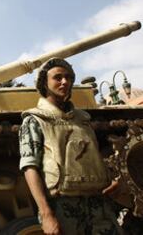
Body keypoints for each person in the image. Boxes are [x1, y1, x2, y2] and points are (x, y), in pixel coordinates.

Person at [19, 58, 123, 234]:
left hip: (98, 203)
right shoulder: (35, 119)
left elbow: (99, 153)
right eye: (57, 77)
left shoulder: (83, 119)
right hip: (63, 205)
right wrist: (46, 214)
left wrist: (114, 177)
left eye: (68, 77)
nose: (65, 82)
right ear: (45, 82)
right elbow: (30, 166)